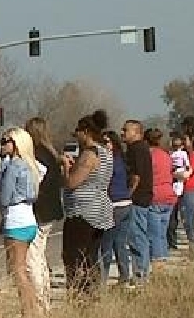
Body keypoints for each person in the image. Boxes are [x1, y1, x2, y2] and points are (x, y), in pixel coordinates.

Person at [61, 112, 114, 293]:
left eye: (77, 131)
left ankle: (81, 293)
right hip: (100, 211)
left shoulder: (89, 154)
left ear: (86, 132)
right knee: (91, 255)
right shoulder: (106, 152)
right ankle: (91, 292)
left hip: (83, 212)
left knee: (75, 257)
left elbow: (72, 182)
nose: (76, 136)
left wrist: (66, 167)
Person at [0, 127, 43, 318]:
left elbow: (5, 198)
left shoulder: (14, 166)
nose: (2, 145)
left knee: (18, 270)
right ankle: (32, 309)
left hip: (15, 221)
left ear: (16, 144)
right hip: (29, 219)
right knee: (23, 268)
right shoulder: (30, 165)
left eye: (5, 141)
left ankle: (29, 311)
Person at [24, 117, 64, 311]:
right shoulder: (51, 153)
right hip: (50, 211)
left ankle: (40, 302)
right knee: (40, 256)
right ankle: (44, 298)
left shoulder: (37, 155)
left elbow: (34, 185)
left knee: (32, 259)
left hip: (39, 211)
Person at [101, 130, 134, 288]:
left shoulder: (109, 161)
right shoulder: (122, 159)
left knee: (106, 244)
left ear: (113, 143)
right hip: (126, 203)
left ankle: (102, 280)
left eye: (106, 142)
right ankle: (124, 276)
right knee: (120, 243)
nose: (104, 145)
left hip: (114, 204)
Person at [122, 120, 153, 284]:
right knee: (138, 235)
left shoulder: (137, 149)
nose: (122, 133)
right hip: (141, 197)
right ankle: (141, 271)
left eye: (126, 130)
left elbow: (136, 176)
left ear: (136, 132)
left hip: (138, 198)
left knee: (137, 236)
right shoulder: (138, 148)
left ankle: (141, 273)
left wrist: (128, 195)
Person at [145, 128, 178, 271]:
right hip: (169, 195)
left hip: (155, 196)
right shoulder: (166, 155)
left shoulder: (148, 156)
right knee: (162, 232)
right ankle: (163, 259)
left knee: (154, 234)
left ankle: (158, 264)